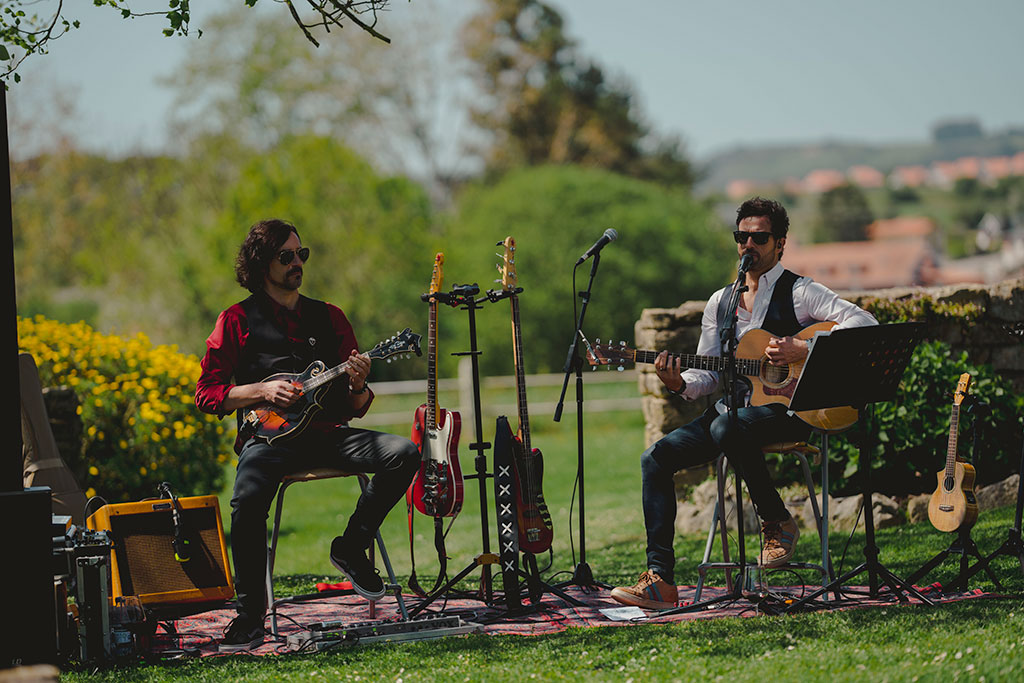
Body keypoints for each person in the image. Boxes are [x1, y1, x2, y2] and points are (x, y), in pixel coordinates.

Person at [610, 197, 878, 610]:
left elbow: (864, 323)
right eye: (742, 236)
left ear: (780, 243)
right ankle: (660, 582)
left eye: (760, 236)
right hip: (733, 414)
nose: (749, 244)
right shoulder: (721, 302)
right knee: (655, 459)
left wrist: (803, 350)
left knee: (725, 428)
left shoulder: (802, 291)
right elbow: (709, 376)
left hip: (791, 411)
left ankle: (777, 522)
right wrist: (677, 381)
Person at [195, 219, 419, 650]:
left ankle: (352, 548)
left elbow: (354, 406)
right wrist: (260, 390)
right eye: (286, 257)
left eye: (302, 254)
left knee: (403, 452)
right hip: (268, 443)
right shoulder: (236, 320)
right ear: (262, 264)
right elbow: (207, 394)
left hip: (326, 435)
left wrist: (356, 384)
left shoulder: (329, 317)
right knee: (245, 503)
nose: (297, 263)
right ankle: (250, 615)